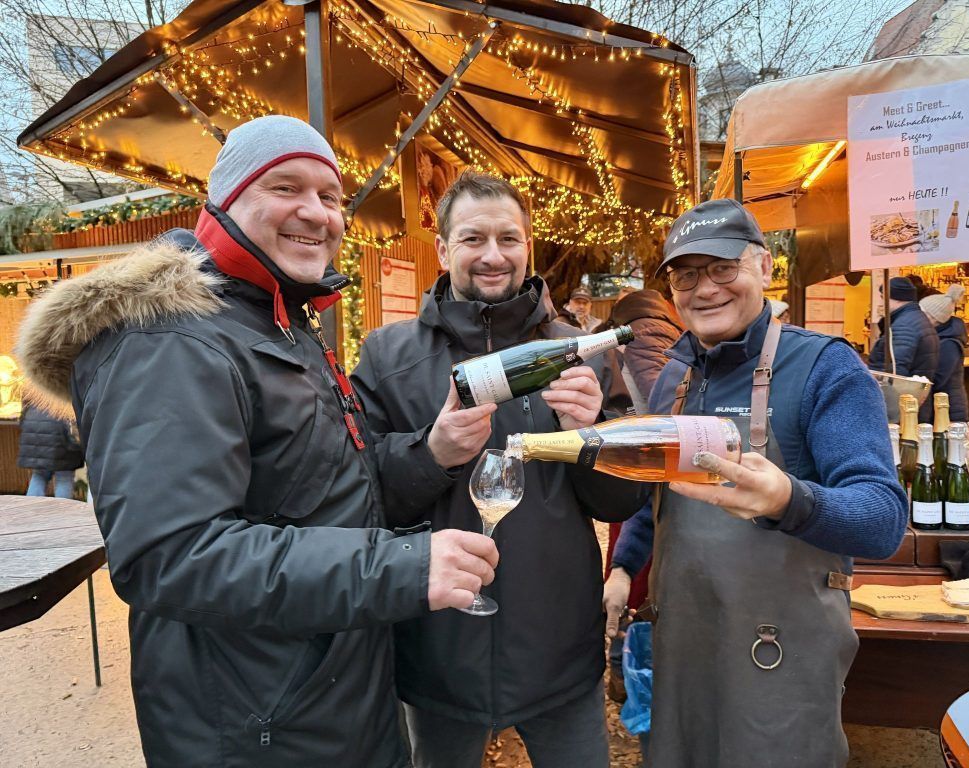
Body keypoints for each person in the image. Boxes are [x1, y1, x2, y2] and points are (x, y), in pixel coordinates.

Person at [15, 115, 498, 768]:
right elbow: (171, 555)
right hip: (260, 729)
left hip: (331, 706)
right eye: (285, 187)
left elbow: (325, 493)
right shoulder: (169, 342)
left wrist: (434, 450)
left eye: (330, 197)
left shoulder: (280, 324)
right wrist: (405, 568)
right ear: (225, 201)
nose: (316, 212)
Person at [351, 170, 646, 768]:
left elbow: (619, 502)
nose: (493, 256)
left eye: (509, 239)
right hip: (439, 647)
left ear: (527, 245)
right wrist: (431, 454)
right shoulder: (388, 356)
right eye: (472, 239)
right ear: (442, 249)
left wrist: (587, 437)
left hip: (557, 648)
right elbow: (363, 494)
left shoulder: (580, 351)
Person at [604, 198, 907, 766]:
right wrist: (624, 567)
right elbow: (660, 496)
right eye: (685, 274)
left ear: (765, 268)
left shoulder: (827, 368)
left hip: (780, 654)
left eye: (723, 268)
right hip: (683, 645)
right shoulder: (676, 375)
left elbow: (882, 518)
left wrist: (790, 499)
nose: (704, 288)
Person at [598, 288, 684, 702]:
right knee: (637, 578)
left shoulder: (633, 338)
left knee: (632, 581)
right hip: (651, 475)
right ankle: (632, 668)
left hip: (642, 471)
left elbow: (661, 421)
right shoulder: (673, 336)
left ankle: (625, 671)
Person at [867, 275, 940, 420]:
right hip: (916, 405)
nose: (881, 302)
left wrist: (888, 415)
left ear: (897, 298)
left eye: (883, 297)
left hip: (902, 410)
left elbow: (894, 375)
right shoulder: (918, 319)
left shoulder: (903, 326)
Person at [920, 285, 969, 421]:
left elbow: (938, 379)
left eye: (922, 314)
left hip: (949, 410)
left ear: (934, 319)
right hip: (940, 406)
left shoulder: (949, 344)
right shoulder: (937, 337)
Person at [17, 400, 83, 498]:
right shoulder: (68, 388)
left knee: (39, 475)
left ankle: (31, 509)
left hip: (36, 433)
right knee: (64, 477)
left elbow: (23, 415)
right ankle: (62, 512)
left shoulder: (35, 388)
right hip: (61, 437)